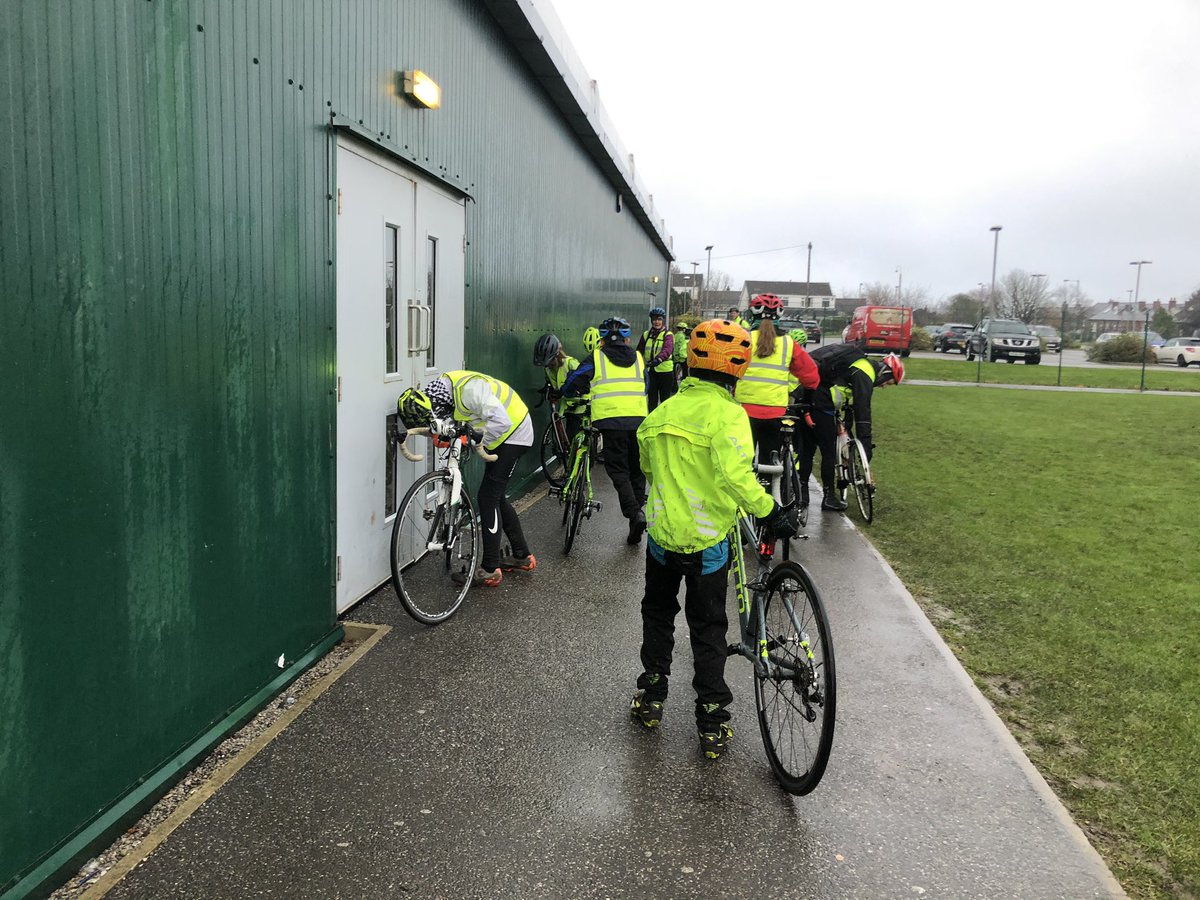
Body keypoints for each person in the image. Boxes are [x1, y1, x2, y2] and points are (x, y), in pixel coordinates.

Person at [630, 319, 798, 759]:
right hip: (708, 545)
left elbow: (648, 470)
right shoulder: (729, 415)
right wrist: (772, 512)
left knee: (658, 616)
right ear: (738, 370)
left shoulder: (660, 413)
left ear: (689, 362)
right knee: (707, 629)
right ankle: (711, 718)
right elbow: (736, 476)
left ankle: (651, 696)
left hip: (662, 540)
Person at [396, 371, 537, 586]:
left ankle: (490, 569)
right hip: (503, 431)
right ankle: (522, 556)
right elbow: (441, 424)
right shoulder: (441, 394)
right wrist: (418, 432)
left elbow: (502, 423)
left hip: (515, 432)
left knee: (488, 498)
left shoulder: (470, 391)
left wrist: (468, 441)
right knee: (496, 497)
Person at [560, 316, 649, 544]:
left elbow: (573, 381)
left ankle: (634, 513)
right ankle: (635, 519)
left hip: (611, 422)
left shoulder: (597, 357)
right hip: (638, 421)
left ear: (603, 339)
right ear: (627, 340)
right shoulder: (638, 358)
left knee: (618, 470)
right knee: (636, 470)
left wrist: (568, 392)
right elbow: (646, 385)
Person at [798, 347, 905, 511]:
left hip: (808, 396)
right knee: (828, 453)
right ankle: (829, 498)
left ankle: (802, 495)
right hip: (821, 404)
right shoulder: (866, 372)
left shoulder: (859, 364)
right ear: (886, 372)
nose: (884, 386)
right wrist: (865, 445)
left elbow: (848, 399)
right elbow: (863, 412)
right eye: (888, 382)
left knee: (807, 449)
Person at [733, 294, 819, 471]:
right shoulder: (789, 343)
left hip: (744, 411)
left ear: (752, 314)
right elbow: (811, 375)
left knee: (742, 464)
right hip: (776, 411)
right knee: (769, 464)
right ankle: (768, 494)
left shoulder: (743, 340)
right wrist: (809, 397)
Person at [534, 332, 585, 446]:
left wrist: (578, 391)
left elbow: (586, 382)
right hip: (565, 407)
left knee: (574, 437)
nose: (549, 365)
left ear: (557, 355)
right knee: (564, 440)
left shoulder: (571, 364)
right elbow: (550, 383)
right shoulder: (548, 369)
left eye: (551, 361)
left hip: (580, 406)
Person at [636, 306, 676, 411]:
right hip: (651, 372)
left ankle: (664, 421)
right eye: (654, 319)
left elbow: (667, 349)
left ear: (663, 320)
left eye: (659, 319)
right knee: (652, 400)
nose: (656, 322)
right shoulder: (646, 334)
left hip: (665, 372)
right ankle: (651, 421)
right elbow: (639, 351)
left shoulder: (668, 335)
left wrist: (658, 360)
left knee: (665, 400)